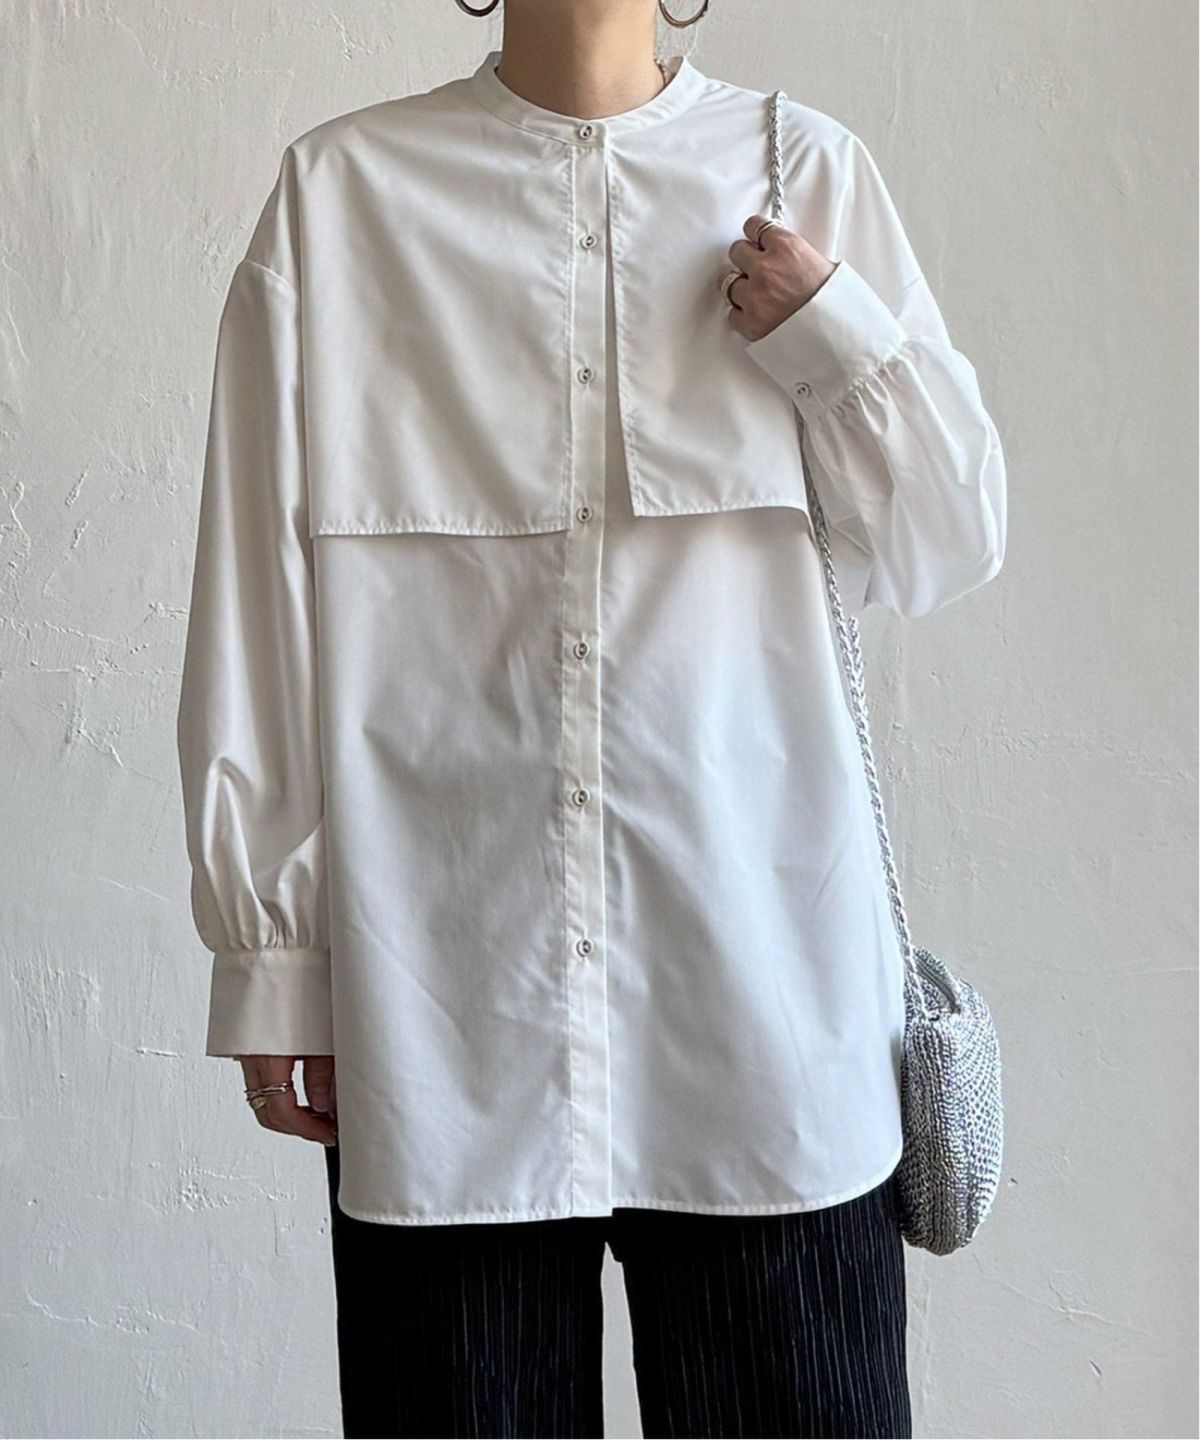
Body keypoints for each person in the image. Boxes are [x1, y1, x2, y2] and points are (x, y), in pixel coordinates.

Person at [176, 0, 1007, 1435]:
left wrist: (832, 330)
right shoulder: (341, 196)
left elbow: (952, 541)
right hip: (447, 1011)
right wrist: (272, 955)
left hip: (768, 1016)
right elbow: (259, 593)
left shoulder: (803, 171)